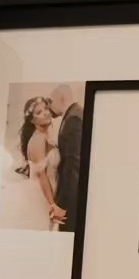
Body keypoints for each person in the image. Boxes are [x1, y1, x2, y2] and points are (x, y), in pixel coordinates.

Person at [17, 96, 65, 227]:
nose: (46, 113)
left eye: (45, 108)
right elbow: (42, 177)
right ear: (32, 120)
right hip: (41, 194)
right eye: (39, 112)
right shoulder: (37, 141)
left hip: (53, 187)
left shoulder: (47, 135)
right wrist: (52, 205)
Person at [50, 84, 84, 232]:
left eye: (51, 101)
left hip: (72, 199)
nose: (50, 106)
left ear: (61, 98)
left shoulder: (74, 119)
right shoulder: (74, 114)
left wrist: (63, 204)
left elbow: (73, 165)